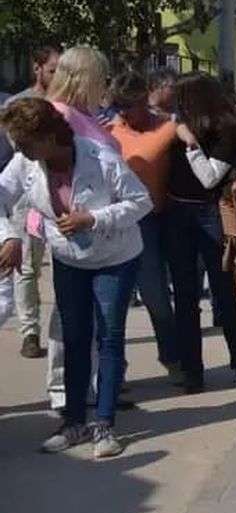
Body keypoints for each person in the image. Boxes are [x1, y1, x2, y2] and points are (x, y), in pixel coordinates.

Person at [0, 98, 150, 458]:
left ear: (49, 137)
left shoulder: (101, 159)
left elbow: (140, 201)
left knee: (109, 337)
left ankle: (104, 425)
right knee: (74, 337)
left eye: (24, 142)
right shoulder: (27, 163)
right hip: (69, 259)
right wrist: (8, 235)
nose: (17, 150)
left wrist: (94, 219)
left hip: (115, 258)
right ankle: (74, 422)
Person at [161, 74, 236, 394]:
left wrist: (190, 144)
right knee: (185, 298)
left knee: (225, 294)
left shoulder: (227, 128)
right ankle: (192, 371)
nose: (175, 104)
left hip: (211, 213)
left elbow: (209, 178)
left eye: (180, 98)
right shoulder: (175, 124)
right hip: (176, 214)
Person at [43, 48, 124, 411]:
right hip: (70, 225)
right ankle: (63, 388)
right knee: (69, 315)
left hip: (97, 228)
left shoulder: (84, 115)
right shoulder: (59, 115)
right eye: (100, 77)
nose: (104, 85)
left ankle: (92, 384)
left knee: (88, 317)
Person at [108, 71, 183, 381]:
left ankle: (172, 357)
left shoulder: (167, 126)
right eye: (120, 105)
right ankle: (114, 371)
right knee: (114, 304)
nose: (126, 112)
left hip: (153, 224)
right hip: (119, 223)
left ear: (144, 99)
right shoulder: (109, 132)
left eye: (132, 104)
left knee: (156, 297)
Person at [13, 45, 61, 359]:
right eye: (53, 69)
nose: (57, 76)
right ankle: (30, 331)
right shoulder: (18, 104)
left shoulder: (67, 104)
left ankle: (64, 329)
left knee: (65, 266)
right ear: (38, 69)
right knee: (28, 268)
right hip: (28, 197)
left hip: (62, 195)